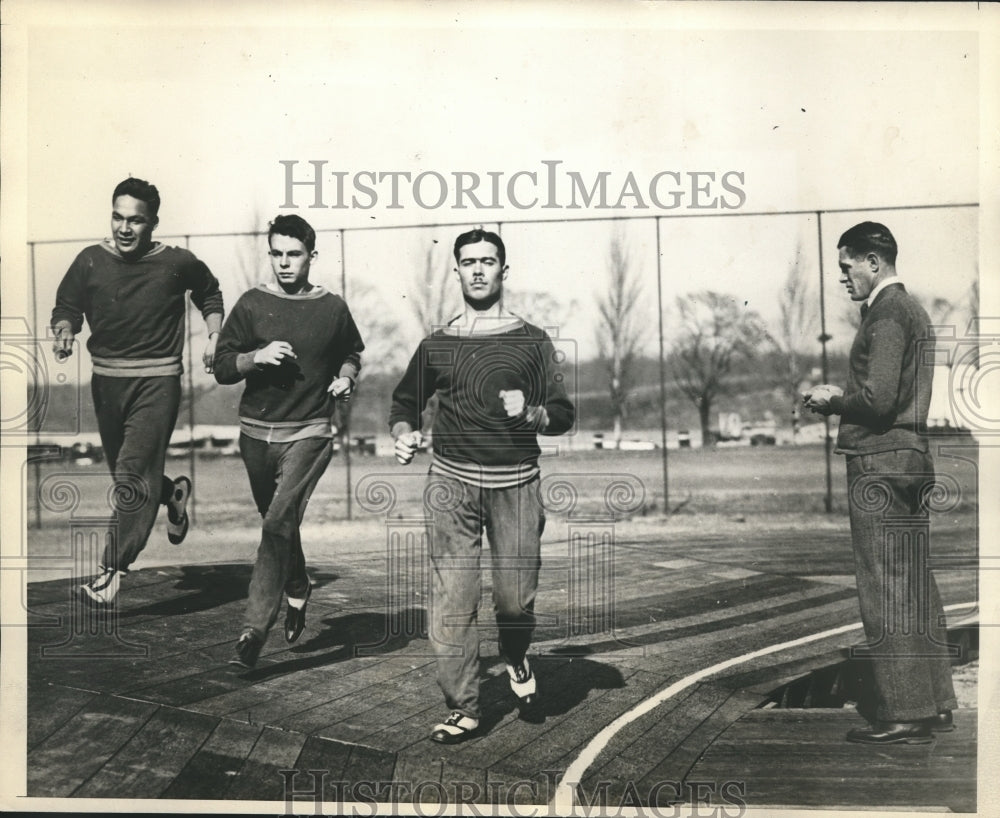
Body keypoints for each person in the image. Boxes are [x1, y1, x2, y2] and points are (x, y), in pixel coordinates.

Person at [390, 228, 575, 743]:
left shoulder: (532, 340)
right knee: (454, 599)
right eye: (468, 262)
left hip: (516, 485)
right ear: (456, 270)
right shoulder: (438, 343)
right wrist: (403, 434)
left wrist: (534, 412)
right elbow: (404, 403)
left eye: (487, 262)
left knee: (515, 604)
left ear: (502, 270)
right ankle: (464, 707)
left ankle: (515, 654)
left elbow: (562, 414)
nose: (477, 270)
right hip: (450, 485)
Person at [803, 221, 957, 745]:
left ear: (873, 262)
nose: (844, 277)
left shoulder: (887, 315)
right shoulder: (912, 310)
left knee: (884, 585)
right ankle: (933, 703)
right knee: (913, 583)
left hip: (879, 462)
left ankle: (903, 710)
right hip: (910, 460)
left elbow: (878, 401)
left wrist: (832, 399)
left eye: (847, 266)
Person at [51, 177, 224, 605]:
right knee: (131, 478)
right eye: (118, 217)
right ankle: (173, 494)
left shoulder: (176, 261)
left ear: (153, 224)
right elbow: (67, 305)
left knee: (131, 474)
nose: (124, 228)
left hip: (157, 381)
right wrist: (64, 329)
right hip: (107, 383)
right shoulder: (90, 261)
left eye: (135, 220)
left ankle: (112, 571)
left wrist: (214, 333)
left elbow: (210, 291)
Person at [213, 214, 364, 668]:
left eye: (293, 254)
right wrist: (255, 357)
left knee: (278, 519)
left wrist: (345, 378)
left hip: (311, 431)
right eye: (276, 253)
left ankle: (254, 629)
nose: (284, 262)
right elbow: (222, 366)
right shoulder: (252, 304)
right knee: (278, 524)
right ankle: (298, 587)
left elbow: (351, 353)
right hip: (256, 434)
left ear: (311, 256)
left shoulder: (332, 307)